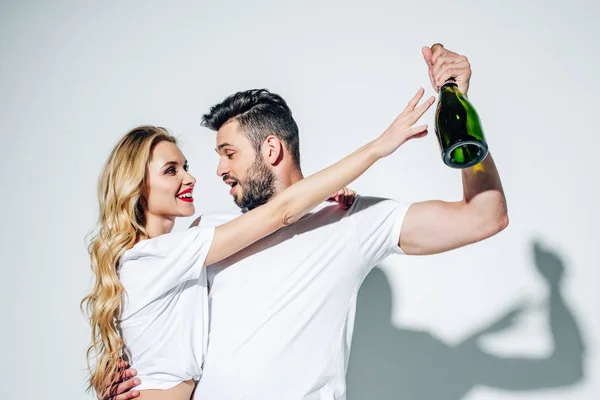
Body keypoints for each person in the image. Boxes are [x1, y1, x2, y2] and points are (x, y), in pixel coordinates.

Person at [111, 44, 508, 400]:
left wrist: (461, 115)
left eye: (229, 153)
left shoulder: (352, 220)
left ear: (270, 148)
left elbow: (484, 217)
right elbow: (159, 333)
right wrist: (125, 379)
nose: (218, 170)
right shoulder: (206, 231)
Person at [82, 88, 435, 399]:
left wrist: (317, 195)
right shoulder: (155, 257)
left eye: (185, 166)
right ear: (137, 186)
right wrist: (377, 148)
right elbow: (279, 212)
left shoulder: (185, 252)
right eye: (171, 170)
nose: (191, 176)